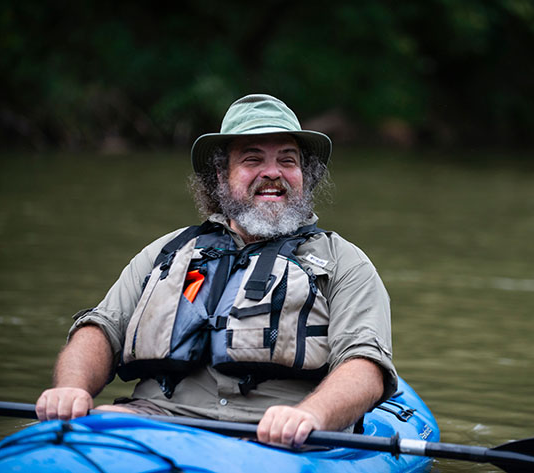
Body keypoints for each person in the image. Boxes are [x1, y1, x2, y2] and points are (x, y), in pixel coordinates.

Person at [35, 94, 397, 448]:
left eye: (287, 161)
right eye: (252, 160)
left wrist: (311, 416)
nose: (273, 173)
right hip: (155, 420)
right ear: (222, 176)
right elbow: (102, 329)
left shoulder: (344, 262)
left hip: (278, 438)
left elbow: (364, 365)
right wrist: (72, 387)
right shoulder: (168, 251)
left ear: (305, 174)